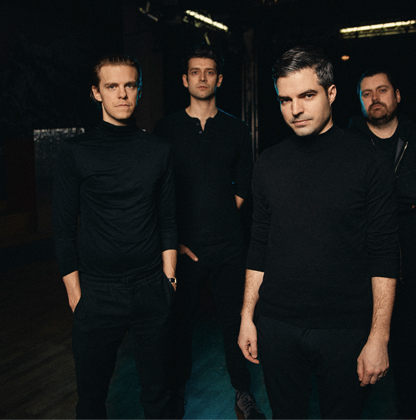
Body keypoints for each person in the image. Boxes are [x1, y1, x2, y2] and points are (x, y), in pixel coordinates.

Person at [237, 46, 400, 419]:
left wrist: (379, 337)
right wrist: (247, 316)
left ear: (331, 93)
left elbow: (384, 253)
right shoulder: (269, 163)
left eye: (307, 95)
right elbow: (259, 245)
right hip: (277, 324)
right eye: (285, 100)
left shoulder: (369, 161)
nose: (295, 109)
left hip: (344, 328)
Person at [52, 53, 177, 419]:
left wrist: (169, 279)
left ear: (138, 90)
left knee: (159, 396)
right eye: (112, 86)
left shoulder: (159, 150)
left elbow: (168, 219)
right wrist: (76, 296)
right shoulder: (75, 153)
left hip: (151, 288)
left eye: (129, 85)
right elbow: (63, 228)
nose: (122, 94)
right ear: (97, 93)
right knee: (91, 401)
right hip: (97, 294)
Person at [153, 44, 263, 419]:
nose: (202, 78)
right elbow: (159, 189)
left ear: (220, 79)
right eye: (195, 72)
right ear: (185, 80)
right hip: (185, 249)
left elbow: (244, 185)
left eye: (210, 71)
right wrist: (176, 240)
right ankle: (176, 393)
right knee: (179, 325)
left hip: (229, 247)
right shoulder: (166, 129)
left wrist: (218, 216)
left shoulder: (236, 128)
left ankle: (243, 394)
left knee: (236, 323)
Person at [348, 69, 416, 418]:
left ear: (397, 95)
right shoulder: (349, 138)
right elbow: (347, 194)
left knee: (407, 344)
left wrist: (377, 191)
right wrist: (407, 191)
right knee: (358, 347)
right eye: (366, 93)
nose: (375, 98)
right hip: (360, 266)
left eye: (382, 90)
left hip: (411, 263)